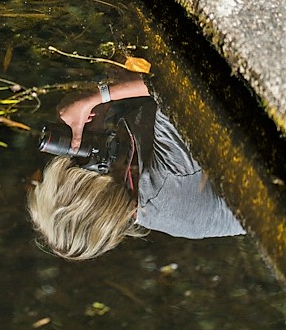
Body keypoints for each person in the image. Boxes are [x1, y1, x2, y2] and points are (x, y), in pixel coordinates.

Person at [28, 79, 245, 260]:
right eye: (77, 163)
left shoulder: (125, 173)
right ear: (93, 187)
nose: (74, 157)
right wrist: (98, 95)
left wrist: (99, 114)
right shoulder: (163, 186)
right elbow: (186, 81)